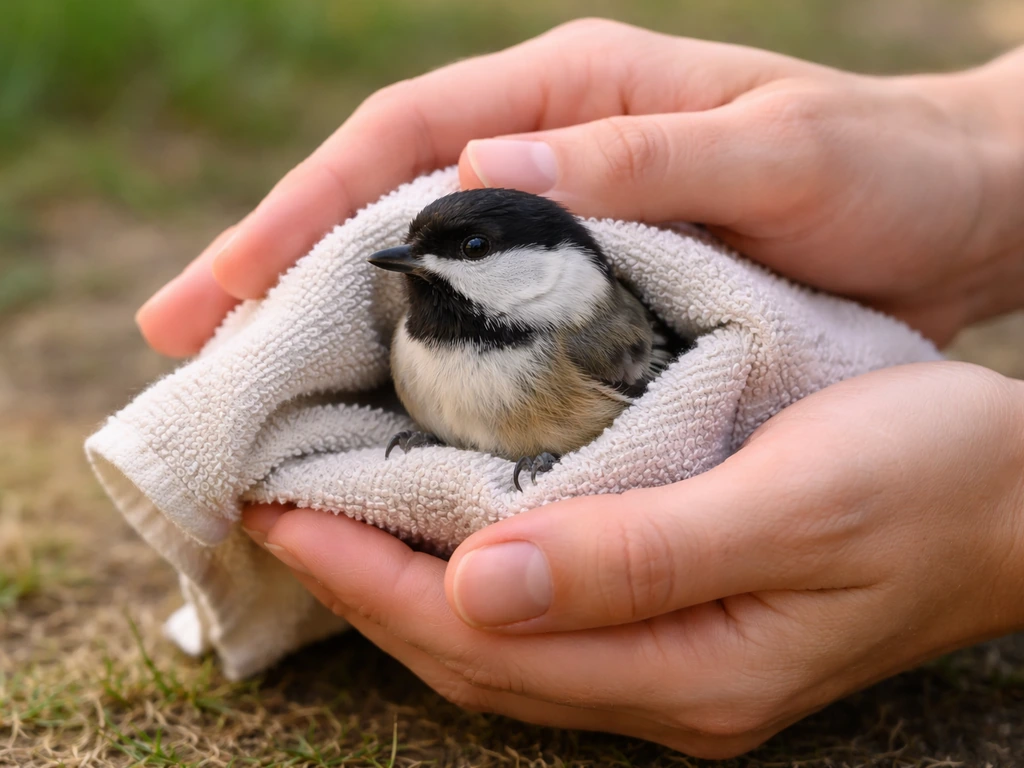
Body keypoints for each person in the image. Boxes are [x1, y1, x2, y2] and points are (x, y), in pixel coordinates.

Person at [135, 20, 1024, 758]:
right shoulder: (413, 327)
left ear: (548, 274)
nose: (423, 269)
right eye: (422, 254)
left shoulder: (592, 339)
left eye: (469, 252)